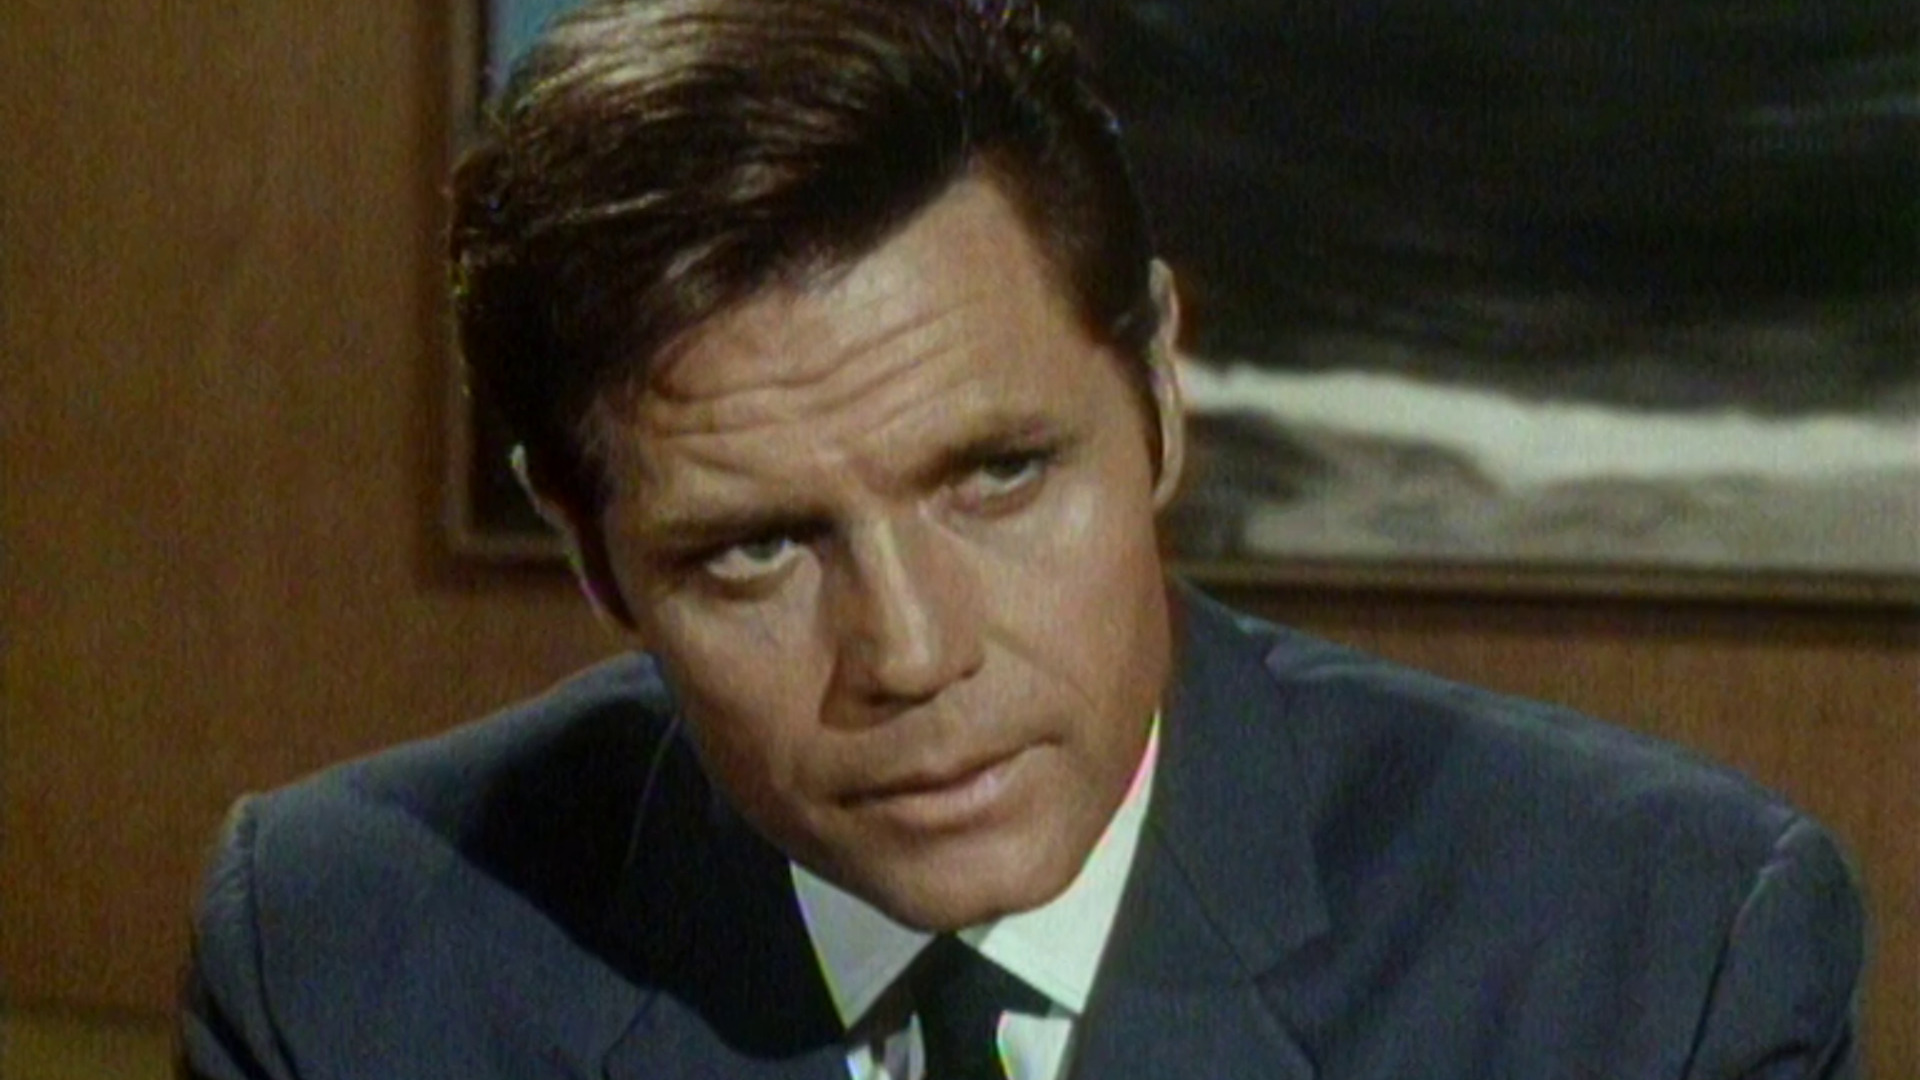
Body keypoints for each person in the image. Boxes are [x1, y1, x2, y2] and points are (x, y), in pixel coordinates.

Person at [177, 1, 1866, 1077]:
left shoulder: (1656, 958)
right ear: (591, 553)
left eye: (997, 475)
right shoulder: (346, 957)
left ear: (1160, 398)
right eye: (754, 552)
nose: (912, 656)